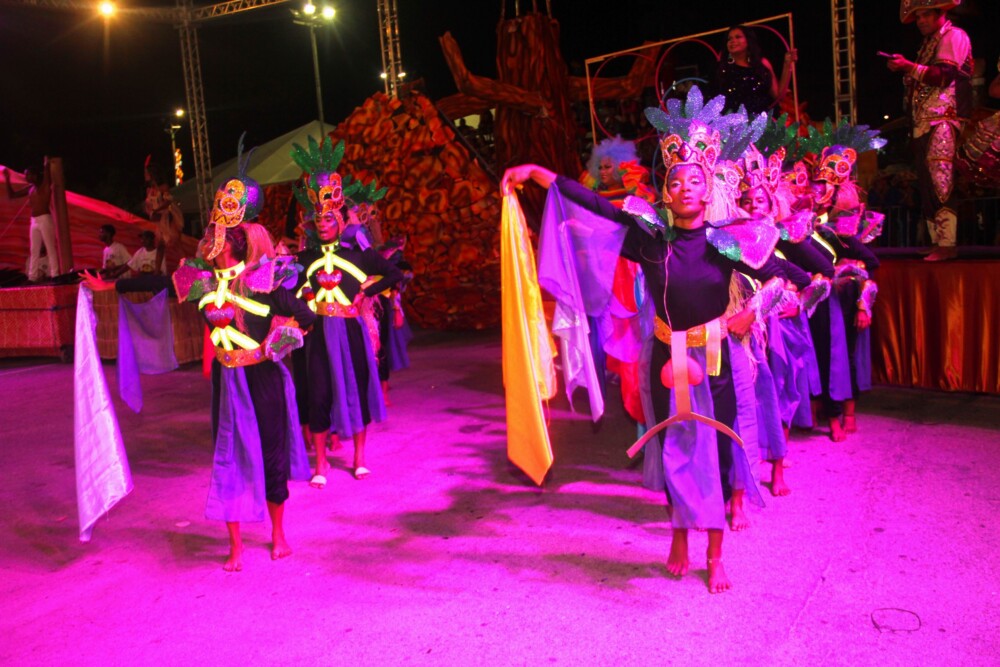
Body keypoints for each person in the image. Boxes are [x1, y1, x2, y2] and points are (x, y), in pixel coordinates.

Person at [502, 111, 810, 594]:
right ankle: (679, 537)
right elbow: (595, 205)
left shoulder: (725, 243)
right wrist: (539, 174)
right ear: (665, 192)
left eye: (695, 180)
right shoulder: (649, 241)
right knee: (675, 452)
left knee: (717, 452)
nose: (685, 188)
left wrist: (752, 311)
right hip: (666, 359)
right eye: (675, 181)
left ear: (707, 191)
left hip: (717, 360)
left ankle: (715, 554)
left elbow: (786, 279)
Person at [172, 166, 316, 572]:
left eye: (214, 235)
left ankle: (278, 534)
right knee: (229, 457)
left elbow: (307, 315)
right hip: (227, 380)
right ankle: (235, 546)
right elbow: (156, 285)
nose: (207, 240)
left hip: (262, 377)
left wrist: (282, 339)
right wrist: (107, 288)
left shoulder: (261, 282)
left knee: (271, 455)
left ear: (230, 243)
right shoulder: (201, 283)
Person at [291, 137, 403, 487]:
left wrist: (365, 293)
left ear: (341, 220)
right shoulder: (305, 258)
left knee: (355, 389)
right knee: (318, 394)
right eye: (318, 219)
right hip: (318, 335)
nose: (323, 223)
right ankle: (321, 463)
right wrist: (305, 298)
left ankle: (359, 458)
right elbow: (290, 289)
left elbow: (394, 273)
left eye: (329, 218)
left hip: (350, 331)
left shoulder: (359, 255)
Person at [887, 1, 973, 261]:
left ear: (940, 13)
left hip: (944, 117)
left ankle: (947, 243)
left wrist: (908, 67)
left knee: (940, 176)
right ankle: (937, 241)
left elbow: (943, 76)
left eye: (926, 15)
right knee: (926, 181)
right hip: (925, 120)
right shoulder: (929, 43)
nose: (921, 21)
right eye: (918, 17)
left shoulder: (953, 36)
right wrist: (908, 72)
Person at [717, 25, 797, 116]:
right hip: (733, 122)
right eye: (729, 39)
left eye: (738, 37)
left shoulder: (762, 64)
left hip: (761, 120)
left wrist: (787, 64)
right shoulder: (723, 68)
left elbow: (778, 96)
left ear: (748, 40)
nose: (732, 41)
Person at [3, 158, 58, 282]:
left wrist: (46, 164)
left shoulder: (44, 185)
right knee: (34, 250)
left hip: (45, 218)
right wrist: (7, 179)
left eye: (28, 174)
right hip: (34, 220)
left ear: (35, 176)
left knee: (50, 248)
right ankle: (32, 277)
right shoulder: (30, 188)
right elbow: (12, 195)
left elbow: (47, 174)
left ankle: (55, 275)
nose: (26, 177)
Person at [143, 155, 184, 273]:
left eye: (146, 173)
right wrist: (150, 211)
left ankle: (187, 267)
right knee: (160, 246)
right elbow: (149, 205)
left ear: (152, 174)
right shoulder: (149, 190)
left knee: (176, 245)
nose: (145, 175)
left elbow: (168, 201)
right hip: (159, 222)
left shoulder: (163, 187)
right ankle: (157, 271)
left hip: (167, 219)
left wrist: (156, 210)